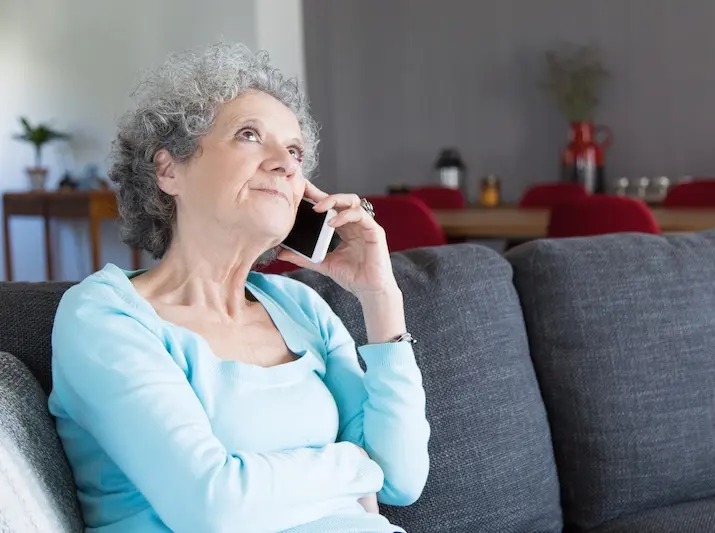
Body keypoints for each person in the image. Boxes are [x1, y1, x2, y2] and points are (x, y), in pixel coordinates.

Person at [48, 42, 430, 533]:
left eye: (294, 151)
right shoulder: (103, 316)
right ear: (169, 170)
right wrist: (355, 467)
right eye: (250, 135)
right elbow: (213, 507)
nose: (286, 164)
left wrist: (381, 298)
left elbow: (400, 477)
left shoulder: (299, 307)